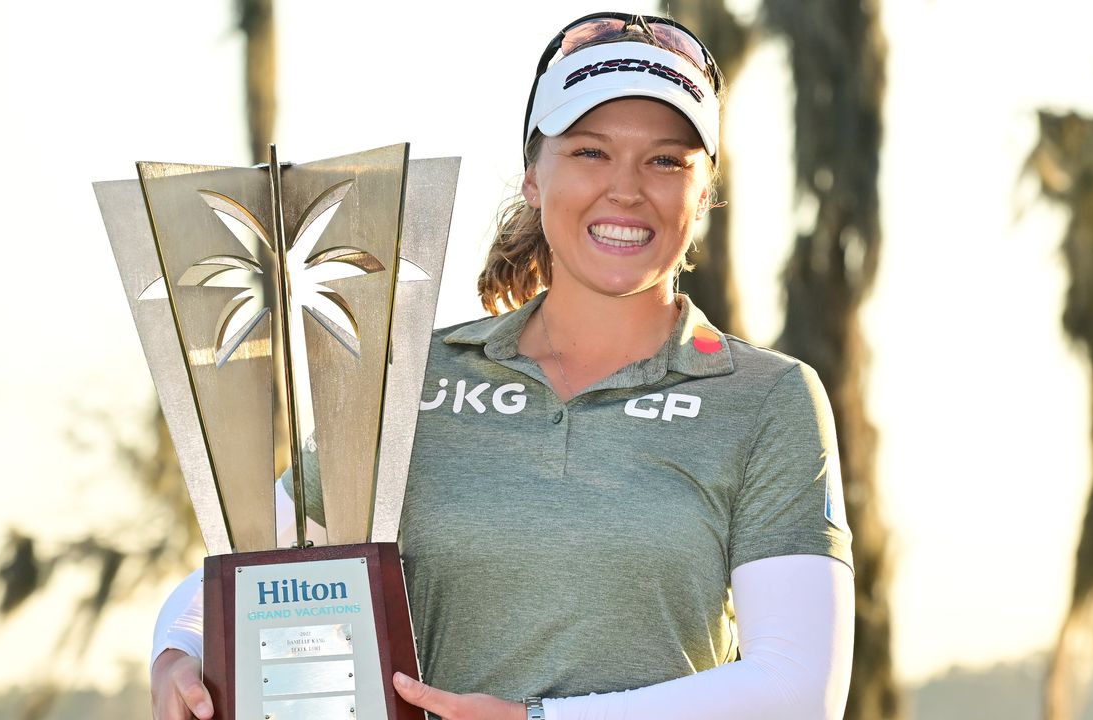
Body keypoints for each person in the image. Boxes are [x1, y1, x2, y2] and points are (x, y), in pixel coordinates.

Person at [151, 12, 855, 720]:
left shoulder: (766, 398)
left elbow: (795, 689)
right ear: (532, 177)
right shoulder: (413, 379)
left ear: (704, 192)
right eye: (589, 152)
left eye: (666, 160)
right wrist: (178, 654)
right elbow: (255, 563)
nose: (627, 189)